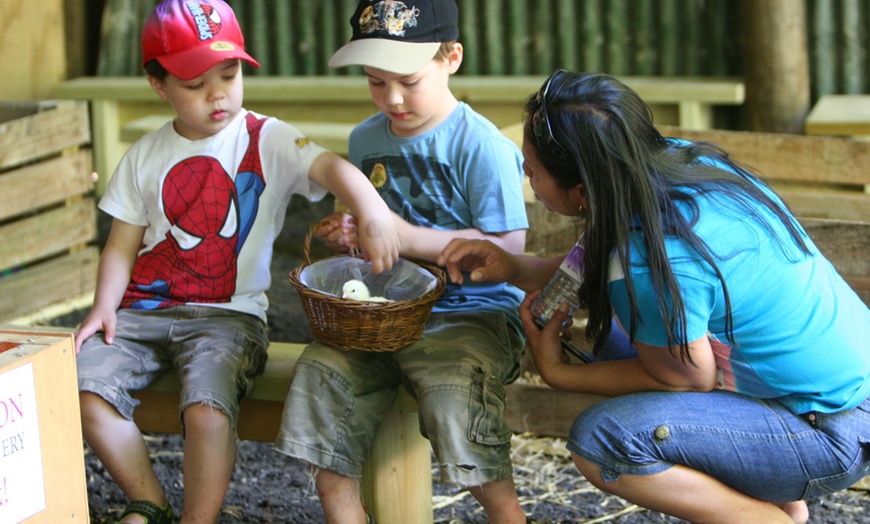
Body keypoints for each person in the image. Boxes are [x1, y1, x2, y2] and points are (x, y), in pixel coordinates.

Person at [439, 70, 870, 524]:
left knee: (602, 440)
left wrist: (558, 373)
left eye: (534, 172)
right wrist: (514, 267)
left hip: (825, 430)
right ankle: (779, 502)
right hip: (839, 388)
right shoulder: (671, 164)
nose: (526, 176)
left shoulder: (649, 258)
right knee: (617, 340)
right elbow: (594, 271)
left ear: (583, 191)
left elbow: (688, 380)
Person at [73, 1, 399, 523]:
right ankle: (149, 500)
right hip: (142, 312)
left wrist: (372, 210)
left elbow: (332, 166)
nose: (218, 93)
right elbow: (120, 245)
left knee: (206, 409)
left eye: (230, 74)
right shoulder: (144, 154)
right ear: (159, 85)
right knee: (86, 387)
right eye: (196, 83)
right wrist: (102, 309)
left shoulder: (265, 137)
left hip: (228, 318)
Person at [273, 1, 531, 522]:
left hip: (469, 314)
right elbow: (374, 230)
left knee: (452, 394)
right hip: (380, 313)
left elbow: (510, 251)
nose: (392, 99)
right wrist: (351, 233)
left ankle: (509, 515)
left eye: (409, 81)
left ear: (451, 58)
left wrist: (405, 236)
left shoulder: (480, 146)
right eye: (375, 82)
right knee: (320, 375)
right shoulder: (366, 140)